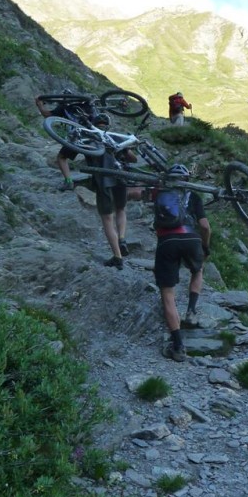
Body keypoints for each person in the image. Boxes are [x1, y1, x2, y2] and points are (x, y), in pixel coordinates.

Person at [150, 163, 211, 361]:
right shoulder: (193, 196)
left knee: (167, 293)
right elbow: (204, 226)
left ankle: (178, 347)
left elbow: (135, 193)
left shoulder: (159, 193)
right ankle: (191, 311)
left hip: (167, 241)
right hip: (192, 238)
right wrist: (205, 245)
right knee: (198, 269)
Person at [88, 114, 137, 270]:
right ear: (107, 125)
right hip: (120, 178)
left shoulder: (88, 139)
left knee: (107, 219)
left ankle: (117, 256)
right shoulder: (114, 138)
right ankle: (122, 238)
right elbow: (132, 159)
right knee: (121, 209)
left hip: (103, 181)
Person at [35, 93, 100, 191]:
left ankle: (69, 182)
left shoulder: (63, 107)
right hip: (93, 136)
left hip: (76, 137)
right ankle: (100, 183)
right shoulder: (88, 105)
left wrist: (39, 105)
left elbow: (47, 115)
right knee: (93, 161)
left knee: (62, 157)